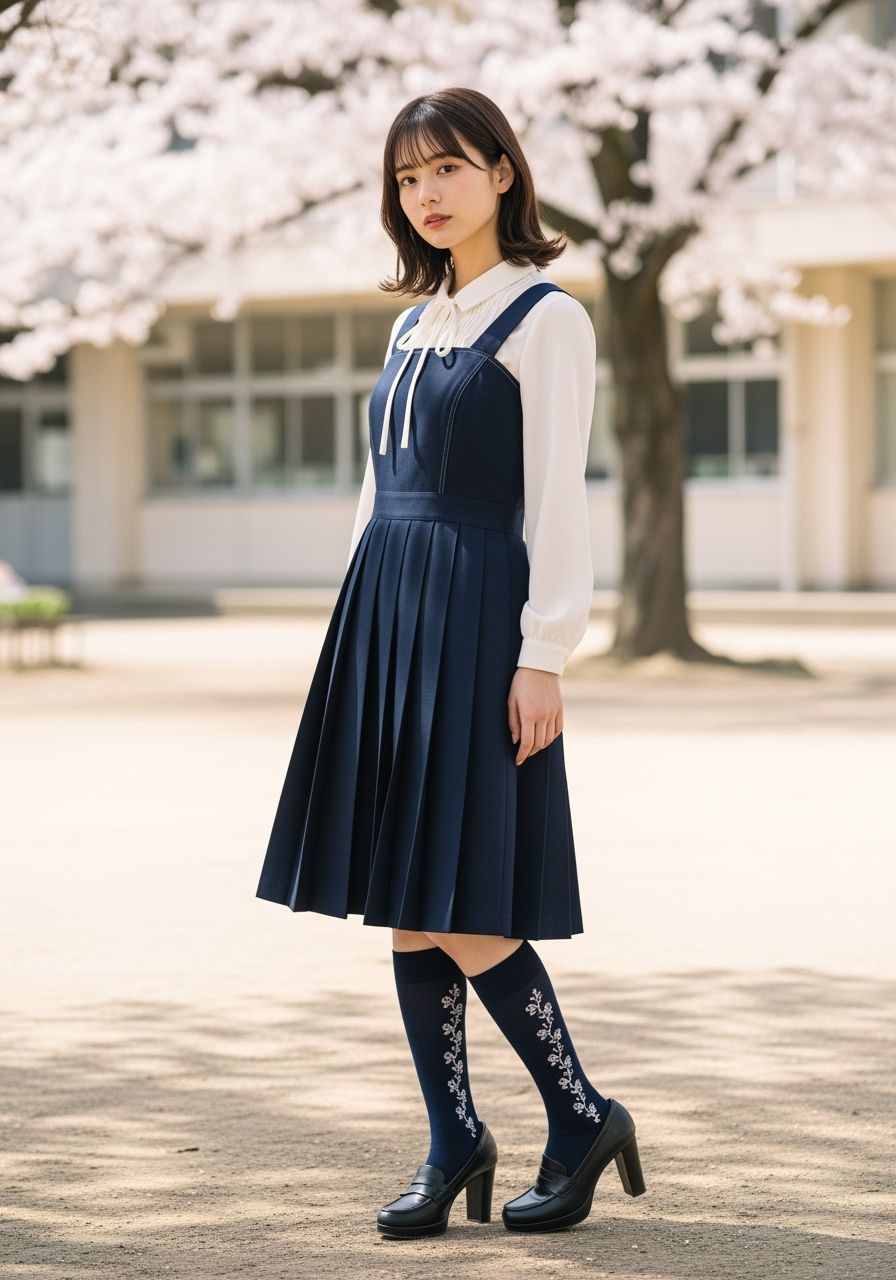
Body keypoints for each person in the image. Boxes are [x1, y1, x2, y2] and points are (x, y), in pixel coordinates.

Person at [255, 85, 645, 1238]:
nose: (426, 194)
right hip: (388, 610)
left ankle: (578, 1115)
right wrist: (352, 623)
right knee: (405, 898)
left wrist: (545, 652)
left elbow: (556, 499)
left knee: (463, 890)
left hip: (481, 614)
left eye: (448, 170)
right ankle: (452, 1133)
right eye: (408, 177)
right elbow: (378, 489)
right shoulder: (410, 322)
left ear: (502, 175)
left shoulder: (544, 319)